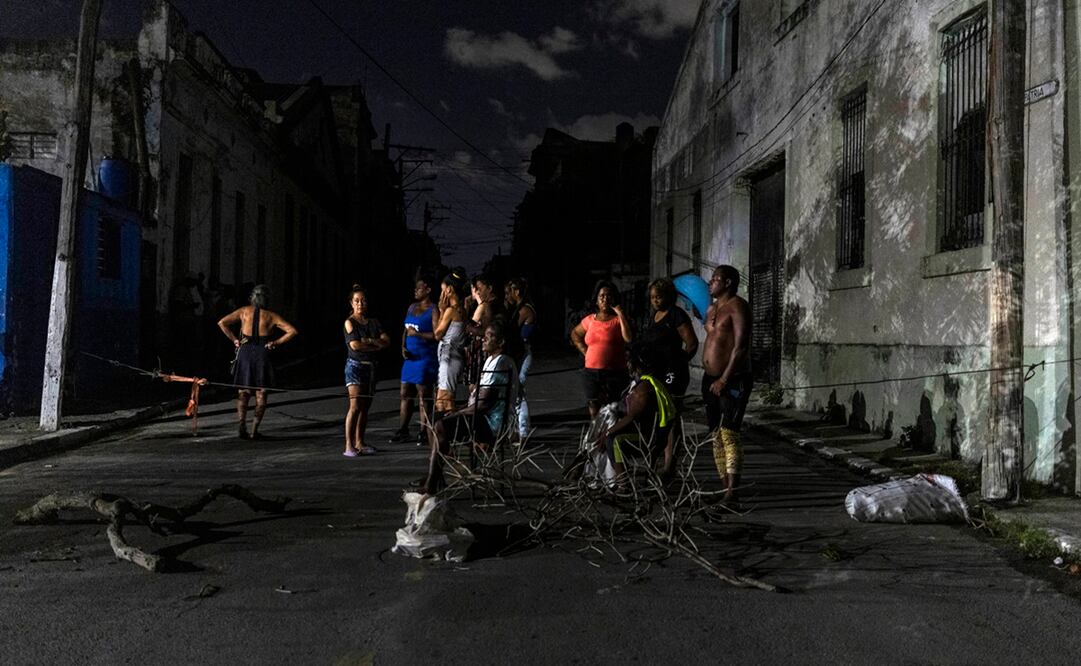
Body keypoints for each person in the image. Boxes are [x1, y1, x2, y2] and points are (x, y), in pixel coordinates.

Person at [419, 324, 517, 494]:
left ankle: (432, 482)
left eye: (489, 336)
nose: (484, 338)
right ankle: (435, 474)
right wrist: (459, 409)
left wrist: (457, 412)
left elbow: (483, 405)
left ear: (501, 342)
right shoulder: (491, 360)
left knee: (441, 425)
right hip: (482, 416)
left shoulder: (501, 363)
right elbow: (479, 401)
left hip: (492, 424)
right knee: (432, 417)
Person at [217, 284, 297, 440]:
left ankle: (242, 424)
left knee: (243, 391)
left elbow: (222, 322)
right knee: (261, 393)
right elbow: (292, 331)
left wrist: (235, 340)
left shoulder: (243, 311)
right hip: (262, 354)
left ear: (252, 298)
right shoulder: (271, 316)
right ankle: (254, 430)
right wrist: (275, 343)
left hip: (245, 352)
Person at [702, 265, 753, 502]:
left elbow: (740, 347)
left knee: (729, 433)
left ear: (728, 282)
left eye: (715, 279)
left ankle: (733, 491)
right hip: (709, 379)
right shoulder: (712, 308)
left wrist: (724, 378)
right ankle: (725, 489)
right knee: (715, 435)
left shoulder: (738, 306)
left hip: (732, 379)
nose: (711, 282)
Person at [640, 277, 699, 476]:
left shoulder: (676, 314)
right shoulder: (653, 315)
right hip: (654, 373)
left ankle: (669, 465)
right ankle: (653, 460)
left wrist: (678, 363)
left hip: (673, 374)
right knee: (656, 417)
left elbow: (692, 343)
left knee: (671, 417)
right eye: (652, 297)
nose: (655, 301)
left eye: (659, 297)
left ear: (668, 296)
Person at [595, 342, 675, 482]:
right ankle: (617, 478)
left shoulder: (643, 388)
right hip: (646, 433)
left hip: (649, 438)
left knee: (613, 440)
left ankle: (623, 483)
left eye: (629, 361)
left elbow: (632, 416)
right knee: (609, 436)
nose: (627, 365)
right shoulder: (645, 383)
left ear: (636, 364)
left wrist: (607, 432)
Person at [570, 280, 633, 419]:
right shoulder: (590, 320)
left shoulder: (618, 320)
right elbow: (575, 334)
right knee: (594, 406)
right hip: (591, 372)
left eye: (609, 295)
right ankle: (596, 431)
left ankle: (611, 431)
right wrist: (585, 351)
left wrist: (621, 314)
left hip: (615, 373)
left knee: (613, 408)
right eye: (602, 296)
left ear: (614, 299)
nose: (605, 299)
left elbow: (628, 338)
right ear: (597, 300)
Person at [342, 285, 391, 456]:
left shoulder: (374, 322)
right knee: (355, 406)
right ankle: (349, 445)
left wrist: (368, 341)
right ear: (351, 303)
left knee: (365, 407)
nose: (360, 304)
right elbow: (355, 345)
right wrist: (375, 344)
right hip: (355, 366)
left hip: (371, 367)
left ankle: (360, 442)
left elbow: (386, 341)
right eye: (356, 301)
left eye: (363, 300)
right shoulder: (350, 322)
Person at [391, 277, 440, 444]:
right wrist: (402, 347)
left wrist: (418, 334)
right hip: (410, 358)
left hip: (425, 357)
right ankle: (403, 429)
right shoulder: (412, 307)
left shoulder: (433, 309)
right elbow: (406, 330)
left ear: (428, 290)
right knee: (405, 392)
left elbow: (436, 335)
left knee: (423, 394)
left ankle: (424, 431)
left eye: (419, 288)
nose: (415, 290)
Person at [504, 277, 536, 442]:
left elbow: (511, 330)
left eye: (508, 292)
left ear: (517, 292)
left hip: (523, 354)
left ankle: (522, 432)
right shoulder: (521, 308)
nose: (507, 296)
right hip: (520, 353)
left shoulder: (524, 310)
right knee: (516, 392)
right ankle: (518, 431)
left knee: (518, 392)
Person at [434, 270, 469, 415]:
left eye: (442, 289)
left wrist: (441, 311)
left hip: (449, 357)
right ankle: (443, 426)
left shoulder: (451, 311)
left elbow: (437, 334)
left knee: (445, 400)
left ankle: (449, 426)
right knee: (442, 399)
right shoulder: (463, 309)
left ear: (449, 290)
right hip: (452, 357)